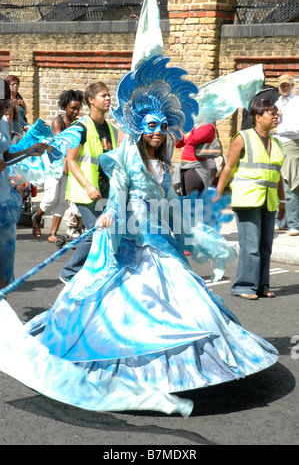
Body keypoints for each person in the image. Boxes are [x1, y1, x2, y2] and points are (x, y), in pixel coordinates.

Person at [0, 58, 279, 416]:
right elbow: (118, 193)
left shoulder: (164, 163)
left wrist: (190, 234)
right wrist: (111, 216)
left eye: (163, 126)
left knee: (185, 299)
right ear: (140, 127)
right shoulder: (125, 157)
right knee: (124, 302)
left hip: (159, 238)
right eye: (151, 126)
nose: (158, 131)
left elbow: (170, 202)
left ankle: (191, 369)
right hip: (130, 238)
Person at [214, 100, 285, 300]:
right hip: (247, 199)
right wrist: (218, 192)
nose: (275, 117)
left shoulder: (276, 143)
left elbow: (277, 174)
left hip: (269, 201)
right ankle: (244, 286)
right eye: (271, 114)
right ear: (257, 116)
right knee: (251, 246)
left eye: (276, 114)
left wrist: (282, 201)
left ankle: (262, 285)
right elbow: (228, 166)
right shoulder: (243, 137)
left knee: (265, 246)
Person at [59, 82, 119, 283]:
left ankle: (97, 271)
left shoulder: (111, 130)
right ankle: (69, 273)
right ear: (91, 100)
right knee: (96, 233)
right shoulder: (80, 127)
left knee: (107, 232)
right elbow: (71, 160)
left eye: (109, 95)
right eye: (103, 95)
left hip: (105, 190)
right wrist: (87, 185)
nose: (108, 98)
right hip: (85, 192)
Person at [0, 78, 47, 288]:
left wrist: (30, 150)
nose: (2, 108)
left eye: (3, 104)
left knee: (6, 262)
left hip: (4, 197)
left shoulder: (4, 122)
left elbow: (7, 155)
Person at [32, 89, 84, 243]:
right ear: (66, 106)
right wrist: (65, 163)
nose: (75, 112)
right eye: (72, 108)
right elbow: (61, 144)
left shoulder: (78, 123)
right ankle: (38, 217)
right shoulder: (57, 122)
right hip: (55, 164)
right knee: (50, 198)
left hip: (69, 164)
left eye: (78, 109)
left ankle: (53, 233)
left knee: (62, 200)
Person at [274, 74, 299, 236]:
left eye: (287, 85)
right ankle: (282, 221)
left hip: (290, 143)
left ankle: (294, 223)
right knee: (279, 183)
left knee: (291, 183)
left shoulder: (296, 103)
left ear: (292, 85)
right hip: (277, 143)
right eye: (282, 85)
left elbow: (296, 128)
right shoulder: (278, 102)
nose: (285, 88)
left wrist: (277, 130)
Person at [173, 124, 216, 196]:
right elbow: (178, 144)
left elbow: (191, 140)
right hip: (184, 166)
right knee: (182, 199)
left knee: (193, 202)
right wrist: (175, 130)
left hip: (195, 168)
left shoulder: (208, 126)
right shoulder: (194, 127)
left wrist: (186, 126)